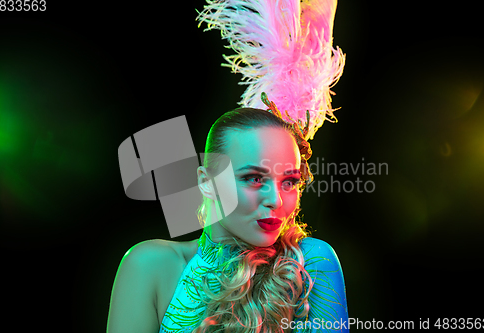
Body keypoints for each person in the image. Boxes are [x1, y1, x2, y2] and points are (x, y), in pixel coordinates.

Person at [107, 102, 348, 332]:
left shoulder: (309, 263)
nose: (276, 200)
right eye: (254, 178)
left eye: (289, 182)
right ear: (207, 182)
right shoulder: (150, 265)